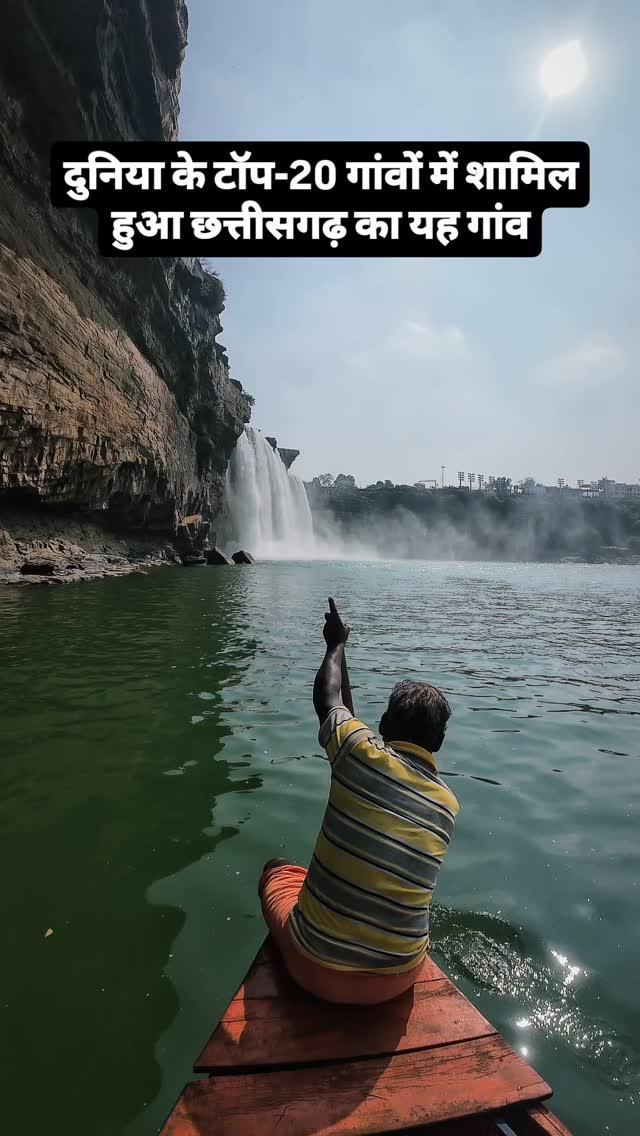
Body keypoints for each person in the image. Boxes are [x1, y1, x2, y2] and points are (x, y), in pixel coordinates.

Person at [258, 597, 459, 1004]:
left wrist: (336, 644)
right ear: (437, 743)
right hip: (398, 979)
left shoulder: (358, 752)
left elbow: (327, 699)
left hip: (317, 971)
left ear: (384, 725)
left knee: (278, 871)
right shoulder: (447, 806)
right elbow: (346, 717)